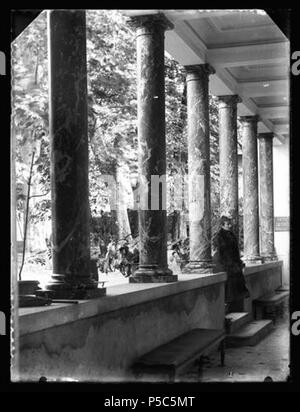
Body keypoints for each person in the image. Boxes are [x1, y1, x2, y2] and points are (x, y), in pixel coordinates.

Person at [213, 216, 249, 312]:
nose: (230, 225)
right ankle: (230, 309)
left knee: (236, 288)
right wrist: (229, 264)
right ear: (222, 225)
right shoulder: (219, 236)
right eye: (227, 224)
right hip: (226, 264)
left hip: (234, 263)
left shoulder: (231, 234)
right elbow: (221, 252)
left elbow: (235, 251)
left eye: (230, 223)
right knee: (230, 289)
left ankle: (236, 309)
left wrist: (239, 263)